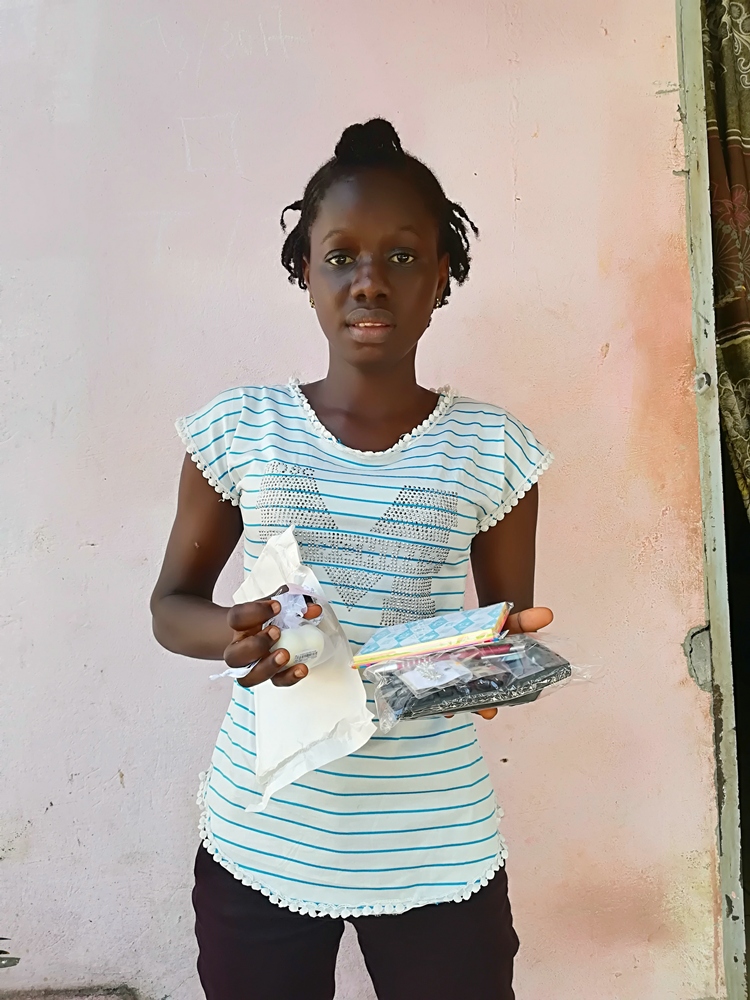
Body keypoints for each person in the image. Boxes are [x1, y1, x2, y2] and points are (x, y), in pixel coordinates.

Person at [151, 118, 553, 1000]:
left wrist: (496, 661)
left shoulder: (494, 450)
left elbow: (500, 642)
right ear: (305, 271)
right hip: (264, 834)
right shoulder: (241, 430)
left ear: (441, 275)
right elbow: (171, 606)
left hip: (436, 844)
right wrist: (239, 631)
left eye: (403, 256)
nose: (370, 280)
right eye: (341, 257)